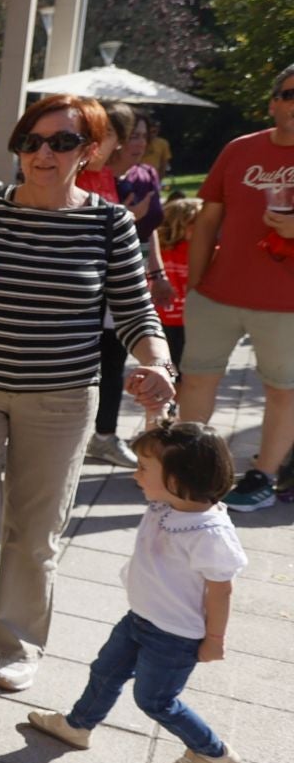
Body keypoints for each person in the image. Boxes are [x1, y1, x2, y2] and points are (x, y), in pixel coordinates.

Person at [0, 94, 175, 692]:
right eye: (31, 142)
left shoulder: (109, 222)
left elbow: (135, 311)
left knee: (35, 531)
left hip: (61, 398)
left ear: (89, 151)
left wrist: (158, 363)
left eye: (61, 142)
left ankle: (19, 644)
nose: (42, 154)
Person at [27, 422, 244, 763]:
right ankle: (77, 725)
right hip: (140, 619)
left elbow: (221, 591)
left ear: (179, 478)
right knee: (106, 670)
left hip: (175, 636)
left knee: (155, 700)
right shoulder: (166, 502)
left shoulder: (211, 533)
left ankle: (212, 752)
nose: (135, 474)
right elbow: (160, 439)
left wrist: (214, 639)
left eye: (144, 469)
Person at [177, 62, 294, 512]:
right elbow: (208, 219)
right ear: (273, 103)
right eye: (288, 94)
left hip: (285, 304)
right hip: (218, 295)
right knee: (198, 379)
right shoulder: (240, 149)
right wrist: (196, 283)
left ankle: (263, 476)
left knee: (282, 390)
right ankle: (188, 464)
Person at [80, 101, 168, 468]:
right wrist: (128, 219)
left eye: (141, 136)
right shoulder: (84, 175)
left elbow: (150, 232)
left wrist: (157, 273)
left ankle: (103, 435)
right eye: (126, 135)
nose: (133, 143)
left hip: (124, 285)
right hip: (88, 289)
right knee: (90, 364)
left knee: (114, 362)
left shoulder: (141, 175)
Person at [155, 196, 201, 364]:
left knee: (170, 369)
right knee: (190, 372)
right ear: (183, 226)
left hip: (160, 319)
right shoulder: (200, 251)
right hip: (191, 321)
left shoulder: (158, 251)